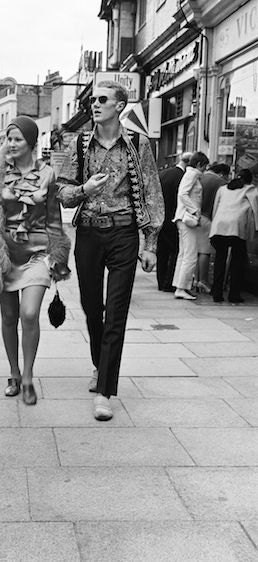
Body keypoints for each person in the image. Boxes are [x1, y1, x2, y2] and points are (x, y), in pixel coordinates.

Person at [56, 80, 164, 421]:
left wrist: (151, 244)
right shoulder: (80, 142)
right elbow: (62, 191)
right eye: (93, 100)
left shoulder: (137, 144)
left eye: (102, 99)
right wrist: (83, 189)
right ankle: (98, 364)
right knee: (92, 308)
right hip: (88, 233)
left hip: (123, 234)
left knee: (116, 313)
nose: (95, 104)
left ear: (120, 105)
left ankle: (104, 391)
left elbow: (151, 192)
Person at [0, 116, 71, 405]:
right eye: (9, 138)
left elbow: (55, 220)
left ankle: (29, 376)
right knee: (8, 317)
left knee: (29, 313)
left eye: (17, 138)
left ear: (31, 142)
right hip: (6, 253)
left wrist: (58, 258)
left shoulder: (48, 175)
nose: (11, 143)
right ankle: (14, 373)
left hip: (38, 253)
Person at [210, 169, 258, 303]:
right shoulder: (251, 190)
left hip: (219, 227)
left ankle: (217, 293)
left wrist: (214, 225)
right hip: (236, 228)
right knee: (237, 262)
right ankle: (234, 294)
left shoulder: (223, 189)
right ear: (249, 180)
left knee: (220, 259)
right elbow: (255, 209)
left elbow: (215, 207)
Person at [172, 151, 210, 300]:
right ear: (199, 164)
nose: (205, 170)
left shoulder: (189, 174)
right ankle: (182, 287)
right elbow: (183, 194)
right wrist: (194, 211)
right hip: (188, 219)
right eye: (205, 166)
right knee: (190, 255)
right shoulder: (193, 174)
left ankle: (179, 285)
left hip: (182, 218)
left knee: (184, 254)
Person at [156, 152, 192, 292]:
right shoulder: (182, 177)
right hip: (173, 218)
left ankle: (161, 281)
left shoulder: (163, 174)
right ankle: (168, 282)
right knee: (175, 251)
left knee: (162, 251)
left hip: (160, 217)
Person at [194, 163, 230, 293]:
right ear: (222, 173)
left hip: (194, 217)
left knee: (196, 250)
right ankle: (203, 280)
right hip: (207, 218)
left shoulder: (200, 177)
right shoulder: (220, 182)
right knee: (205, 251)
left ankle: (196, 279)